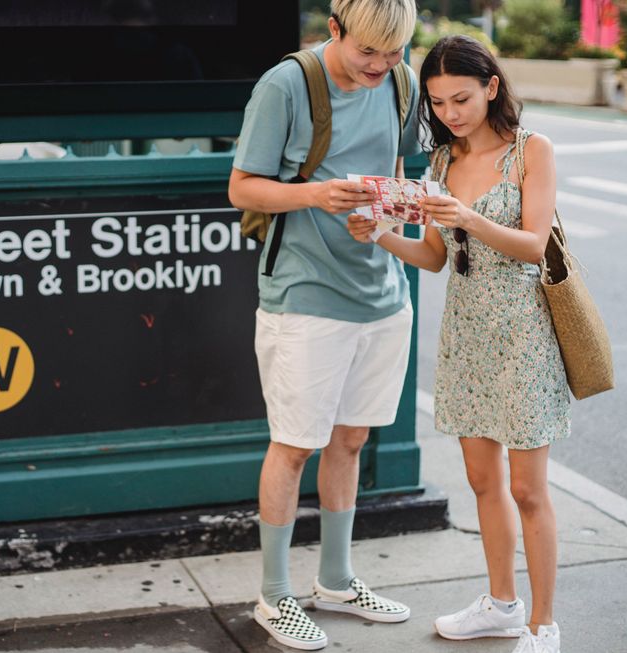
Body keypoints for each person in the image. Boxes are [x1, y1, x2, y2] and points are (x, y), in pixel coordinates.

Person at [346, 35, 570, 653]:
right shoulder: (441, 165)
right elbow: (436, 257)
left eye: (462, 98)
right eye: (439, 102)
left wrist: (466, 216)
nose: (450, 112)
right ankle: (502, 604)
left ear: (491, 87)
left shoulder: (532, 151)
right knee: (481, 480)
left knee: (528, 488)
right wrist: (382, 234)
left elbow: (533, 245)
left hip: (524, 331)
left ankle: (543, 625)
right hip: (468, 332)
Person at [228, 0, 421, 649]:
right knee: (294, 443)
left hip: (381, 293)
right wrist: (315, 193)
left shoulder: (401, 78)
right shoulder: (286, 83)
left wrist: (391, 217)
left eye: (393, 53)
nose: (381, 66)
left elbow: (397, 173)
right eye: (369, 52)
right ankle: (275, 595)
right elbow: (241, 187)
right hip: (306, 293)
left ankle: (336, 579)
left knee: (351, 440)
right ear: (333, 29)